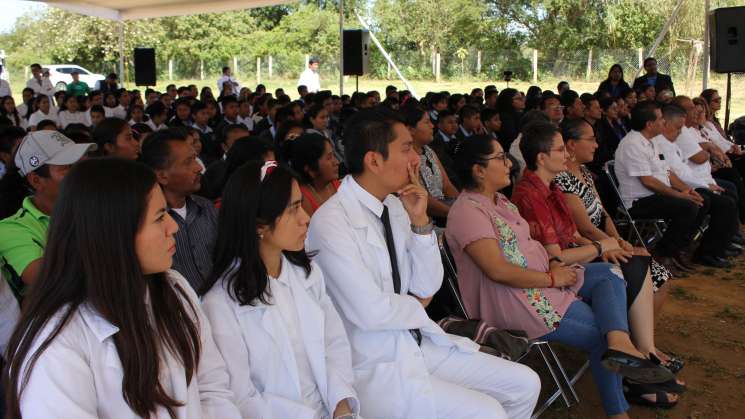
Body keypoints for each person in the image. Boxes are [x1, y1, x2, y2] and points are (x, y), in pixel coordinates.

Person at [307, 108, 541, 419]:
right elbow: (370, 312)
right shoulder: (331, 223)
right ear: (374, 160)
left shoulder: (395, 205)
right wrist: (418, 304)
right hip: (374, 361)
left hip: (415, 341)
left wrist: (420, 223)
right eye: (406, 149)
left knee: (525, 384)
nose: (415, 159)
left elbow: (428, 284)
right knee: (488, 412)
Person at [446, 135, 676, 418]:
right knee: (599, 334)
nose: (509, 163)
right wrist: (554, 279)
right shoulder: (468, 212)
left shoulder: (501, 201)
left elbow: (531, 247)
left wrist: (554, 266)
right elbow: (499, 270)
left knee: (610, 274)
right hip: (516, 300)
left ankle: (621, 344)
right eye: (500, 158)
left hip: (543, 278)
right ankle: (619, 409)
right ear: (478, 170)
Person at [3, 158, 241, 419]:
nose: (173, 227)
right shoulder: (56, 344)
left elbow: (211, 388)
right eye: (160, 217)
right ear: (113, 233)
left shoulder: (174, 288)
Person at [201, 161, 359, 419]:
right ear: (258, 225)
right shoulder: (220, 302)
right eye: (293, 209)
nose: (306, 218)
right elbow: (242, 395)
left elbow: (334, 346)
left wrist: (342, 408)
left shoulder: (307, 273)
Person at [0, 131, 95, 293]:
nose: (80, 175)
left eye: (80, 165)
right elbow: (49, 278)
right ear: (36, 180)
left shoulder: (92, 208)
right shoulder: (10, 229)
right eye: (67, 168)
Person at [613, 101, 704, 271]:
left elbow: (666, 172)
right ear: (649, 124)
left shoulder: (652, 141)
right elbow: (648, 181)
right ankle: (663, 254)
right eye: (661, 118)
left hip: (655, 196)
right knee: (687, 207)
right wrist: (679, 195)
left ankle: (677, 249)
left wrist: (686, 190)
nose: (664, 121)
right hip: (638, 202)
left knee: (700, 201)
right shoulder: (632, 144)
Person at [651, 104, 738, 268]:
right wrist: (703, 186)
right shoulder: (660, 143)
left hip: (689, 183)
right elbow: (676, 174)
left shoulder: (670, 142)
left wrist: (706, 184)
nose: (679, 132)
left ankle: (704, 248)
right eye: (677, 128)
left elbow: (683, 170)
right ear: (666, 124)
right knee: (713, 202)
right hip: (672, 187)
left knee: (722, 198)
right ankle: (702, 251)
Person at [140, 129, 217, 291]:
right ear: (162, 176)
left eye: (195, 158)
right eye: (188, 162)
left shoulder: (207, 208)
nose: (198, 168)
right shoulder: (145, 222)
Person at [402, 106, 459, 223]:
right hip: (428, 217)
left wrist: (461, 205)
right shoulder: (405, 158)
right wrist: (454, 214)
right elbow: (422, 199)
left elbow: (447, 185)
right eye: (426, 122)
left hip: (446, 209)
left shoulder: (428, 151)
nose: (432, 126)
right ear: (410, 130)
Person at [286, 133, 341, 217]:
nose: (337, 162)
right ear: (311, 169)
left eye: (333, 155)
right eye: (329, 158)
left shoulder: (337, 184)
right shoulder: (302, 199)